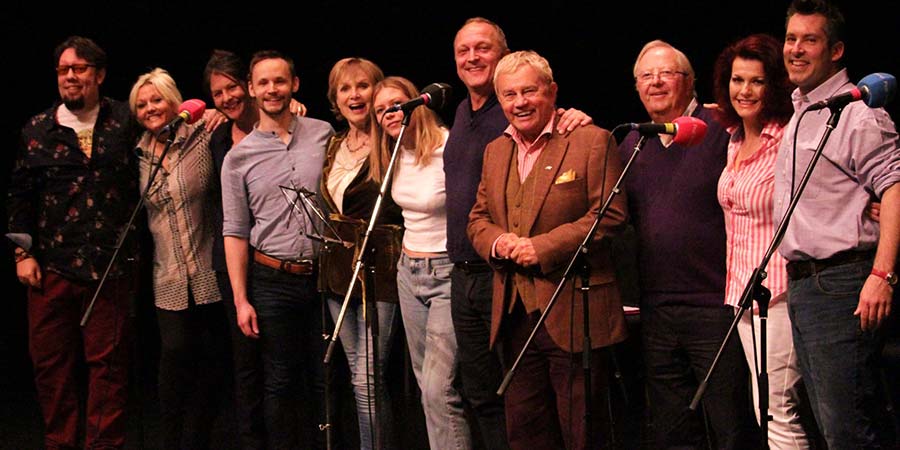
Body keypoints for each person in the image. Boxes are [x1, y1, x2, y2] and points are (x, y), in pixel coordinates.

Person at [465, 50, 627, 450]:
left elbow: (609, 216)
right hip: (515, 315)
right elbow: (477, 219)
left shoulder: (591, 140)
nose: (519, 102)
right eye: (508, 95)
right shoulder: (495, 150)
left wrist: (544, 247)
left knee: (583, 434)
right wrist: (499, 243)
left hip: (575, 311)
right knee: (525, 433)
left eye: (528, 91)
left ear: (551, 91)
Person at [444, 18, 592, 450]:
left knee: (521, 399)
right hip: (465, 269)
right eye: (463, 50)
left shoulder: (526, 111)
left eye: (483, 48)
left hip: (510, 277)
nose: (472, 57)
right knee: (480, 393)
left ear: (503, 55)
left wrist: (573, 115)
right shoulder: (460, 112)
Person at [618, 40, 755, 449]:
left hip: (717, 306)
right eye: (646, 76)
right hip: (657, 310)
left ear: (691, 82)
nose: (656, 83)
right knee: (673, 429)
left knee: (731, 424)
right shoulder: (632, 143)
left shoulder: (724, 130)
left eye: (667, 74)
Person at [775, 0, 900, 447]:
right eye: (791, 38)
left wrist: (882, 275)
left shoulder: (859, 114)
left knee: (850, 428)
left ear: (836, 50)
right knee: (831, 425)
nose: (796, 49)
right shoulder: (804, 113)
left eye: (810, 39)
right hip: (806, 286)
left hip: (845, 282)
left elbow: (894, 189)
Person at [7, 35, 139, 449]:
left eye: (79, 68)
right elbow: (19, 194)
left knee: (109, 370)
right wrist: (22, 252)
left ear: (98, 74)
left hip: (110, 270)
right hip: (52, 269)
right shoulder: (36, 129)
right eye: (64, 69)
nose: (70, 76)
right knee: (52, 369)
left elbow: (175, 119)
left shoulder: (125, 118)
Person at [221, 50, 335, 449]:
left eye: (280, 81)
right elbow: (234, 231)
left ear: (295, 85)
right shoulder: (238, 158)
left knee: (326, 379)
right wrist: (240, 299)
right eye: (264, 82)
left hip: (325, 277)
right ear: (251, 89)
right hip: (272, 280)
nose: (273, 89)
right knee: (281, 382)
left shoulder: (323, 134)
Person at [712, 34, 809, 449]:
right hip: (743, 294)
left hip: (781, 292)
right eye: (737, 80)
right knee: (763, 406)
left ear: (775, 85)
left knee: (777, 410)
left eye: (756, 81)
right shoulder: (733, 139)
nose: (744, 91)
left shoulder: (788, 139)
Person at [128, 67, 228, 449]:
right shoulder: (136, 152)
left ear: (174, 102)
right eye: (142, 104)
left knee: (214, 359)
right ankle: (170, 438)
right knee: (174, 354)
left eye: (156, 100)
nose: (150, 108)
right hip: (167, 275)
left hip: (208, 268)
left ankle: (200, 436)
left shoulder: (203, 134)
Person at [371, 76, 471, 450]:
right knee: (424, 384)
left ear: (418, 103)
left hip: (446, 271)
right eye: (380, 110)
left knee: (438, 389)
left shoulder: (447, 147)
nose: (388, 114)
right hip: (408, 272)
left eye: (395, 104)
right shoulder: (393, 153)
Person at [319, 56, 403, 450]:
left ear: (378, 90)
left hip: (379, 272)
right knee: (357, 373)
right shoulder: (333, 143)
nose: (355, 95)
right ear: (335, 99)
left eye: (363, 86)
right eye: (345, 88)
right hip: (337, 273)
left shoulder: (392, 139)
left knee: (367, 377)